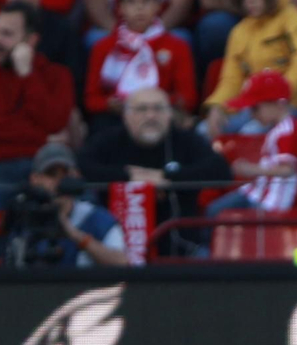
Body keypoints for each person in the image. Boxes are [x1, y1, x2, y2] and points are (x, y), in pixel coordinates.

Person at [0, 3, 76, 232]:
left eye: (7, 34)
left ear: (31, 40)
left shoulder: (57, 75)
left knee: (82, 202)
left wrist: (27, 76)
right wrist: (43, 139)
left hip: (47, 169)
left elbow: (55, 121)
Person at [76, 85, 234, 250]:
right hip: (116, 250)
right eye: (142, 109)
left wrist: (166, 177)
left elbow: (221, 170)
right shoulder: (109, 140)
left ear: (169, 115)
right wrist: (129, 176)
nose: (151, 115)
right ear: (126, 116)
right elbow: (82, 166)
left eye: (158, 109)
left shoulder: (186, 140)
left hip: (183, 247)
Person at [85, 0, 200, 126]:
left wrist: (153, 103)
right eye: (131, 2)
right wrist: (109, 104)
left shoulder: (177, 46)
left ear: (158, 5)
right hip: (116, 118)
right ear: (120, 8)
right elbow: (91, 99)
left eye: (146, 1)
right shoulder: (104, 47)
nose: (139, 8)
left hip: (161, 116)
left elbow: (188, 98)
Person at [207, 69, 297, 220]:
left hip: (274, 200)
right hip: (257, 191)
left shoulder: (289, 129)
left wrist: (252, 169)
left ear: (279, 104)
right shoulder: (276, 129)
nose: (251, 114)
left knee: (241, 224)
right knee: (213, 211)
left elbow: (287, 170)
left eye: (255, 108)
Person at [3, 142, 130, 269]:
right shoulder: (27, 218)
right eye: (51, 174)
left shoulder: (96, 217)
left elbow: (122, 263)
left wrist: (75, 235)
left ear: (76, 176)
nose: (59, 182)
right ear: (35, 179)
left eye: (65, 174)